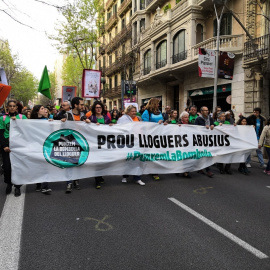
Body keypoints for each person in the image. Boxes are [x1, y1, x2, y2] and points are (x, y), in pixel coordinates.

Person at [0, 100, 27, 196]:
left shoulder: (22, 117)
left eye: (14, 106)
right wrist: (4, 146)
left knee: (18, 167)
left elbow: (28, 129)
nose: (12, 107)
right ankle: (8, 183)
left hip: (18, 145)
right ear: (7, 107)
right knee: (7, 167)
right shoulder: (2, 118)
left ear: (16, 107)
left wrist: (18, 122)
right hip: (7, 145)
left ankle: (17, 187)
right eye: (10, 106)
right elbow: (1, 133)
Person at [61, 97, 87, 193]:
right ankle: (69, 182)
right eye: (81, 104)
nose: (83, 106)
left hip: (80, 143)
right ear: (76, 105)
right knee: (69, 163)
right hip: (70, 143)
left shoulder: (83, 115)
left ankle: (76, 180)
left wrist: (89, 123)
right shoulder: (66, 115)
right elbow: (58, 128)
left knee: (78, 163)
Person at [117, 105, 145, 185]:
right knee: (128, 159)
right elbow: (119, 128)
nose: (134, 113)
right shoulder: (123, 119)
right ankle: (125, 176)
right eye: (132, 111)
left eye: (135, 111)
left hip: (138, 141)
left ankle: (137, 178)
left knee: (138, 159)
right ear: (128, 112)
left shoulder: (138, 119)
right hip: (128, 142)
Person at [30, 105, 53, 194]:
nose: (44, 110)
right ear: (37, 111)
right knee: (38, 166)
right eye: (42, 109)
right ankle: (38, 184)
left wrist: (51, 123)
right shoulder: (30, 122)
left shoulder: (46, 120)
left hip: (45, 146)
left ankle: (44, 186)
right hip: (35, 146)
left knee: (45, 166)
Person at [89, 101, 111, 188]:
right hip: (95, 143)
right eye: (97, 107)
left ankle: (100, 176)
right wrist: (93, 125)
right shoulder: (92, 118)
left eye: (100, 107)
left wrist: (111, 126)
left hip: (104, 143)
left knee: (103, 161)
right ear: (94, 109)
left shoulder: (106, 118)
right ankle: (97, 180)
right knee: (97, 161)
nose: (98, 109)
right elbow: (88, 129)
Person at [142, 98, 163, 180]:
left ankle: (154, 169)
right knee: (152, 153)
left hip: (159, 135)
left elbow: (162, 120)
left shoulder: (159, 111)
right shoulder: (146, 112)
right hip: (151, 136)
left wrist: (164, 123)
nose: (158, 105)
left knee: (157, 153)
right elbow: (145, 124)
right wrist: (156, 124)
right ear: (153, 104)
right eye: (157, 103)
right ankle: (153, 171)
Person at [194, 106, 214, 178]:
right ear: (201, 112)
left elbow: (213, 124)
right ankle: (206, 170)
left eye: (207, 110)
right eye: (205, 110)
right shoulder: (198, 119)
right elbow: (195, 129)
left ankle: (203, 168)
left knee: (206, 155)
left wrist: (213, 125)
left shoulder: (210, 118)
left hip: (208, 140)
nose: (207, 112)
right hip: (200, 140)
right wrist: (204, 127)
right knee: (203, 154)